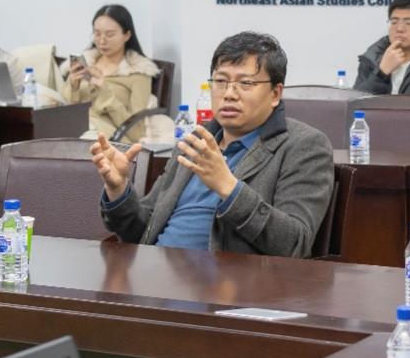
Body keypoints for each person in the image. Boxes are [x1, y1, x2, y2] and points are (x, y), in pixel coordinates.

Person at [93, 31, 334, 257]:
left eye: (245, 83)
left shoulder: (304, 145)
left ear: (275, 94)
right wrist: (119, 191)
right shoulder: (193, 143)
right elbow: (142, 231)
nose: (229, 93)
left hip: (229, 281)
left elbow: (295, 244)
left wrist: (229, 187)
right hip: (156, 272)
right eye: (220, 81)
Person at [61, 4, 164, 143]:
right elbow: (66, 113)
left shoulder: (138, 72)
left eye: (110, 35)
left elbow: (136, 132)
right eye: (97, 34)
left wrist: (105, 92)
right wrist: (73, 86)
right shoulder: (86, 64)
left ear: (127, 35)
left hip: (105, 139)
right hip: (73, 131)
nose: (102, 41)